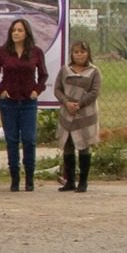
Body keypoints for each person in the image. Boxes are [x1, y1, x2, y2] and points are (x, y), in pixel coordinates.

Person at [0, 17, 48, 191]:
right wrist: (0, 90)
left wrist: (37, 90)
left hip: (28, 102)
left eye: (20, 30)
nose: (16, 33)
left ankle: (29, 177)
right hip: (9, 102)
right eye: (14, 30)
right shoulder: (2, 52)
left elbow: (43, 75)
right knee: (12, 140)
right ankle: (14, 178)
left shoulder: (36, 52)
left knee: (29, 139)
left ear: (26, 33)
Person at [53, 39, 102, 192]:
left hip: (85, 113)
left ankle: (83, 182)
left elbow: (95, 92)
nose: (79, 55)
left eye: (82, 52)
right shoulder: (65, 70)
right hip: (67, 112)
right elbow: (57, 89)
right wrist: (66, 102)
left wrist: (79, 104)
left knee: (84, 146)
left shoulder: (94, 71)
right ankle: (69, 181)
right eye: (76, 52)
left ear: (88, 54)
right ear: (72, 54)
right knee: (68, 146)